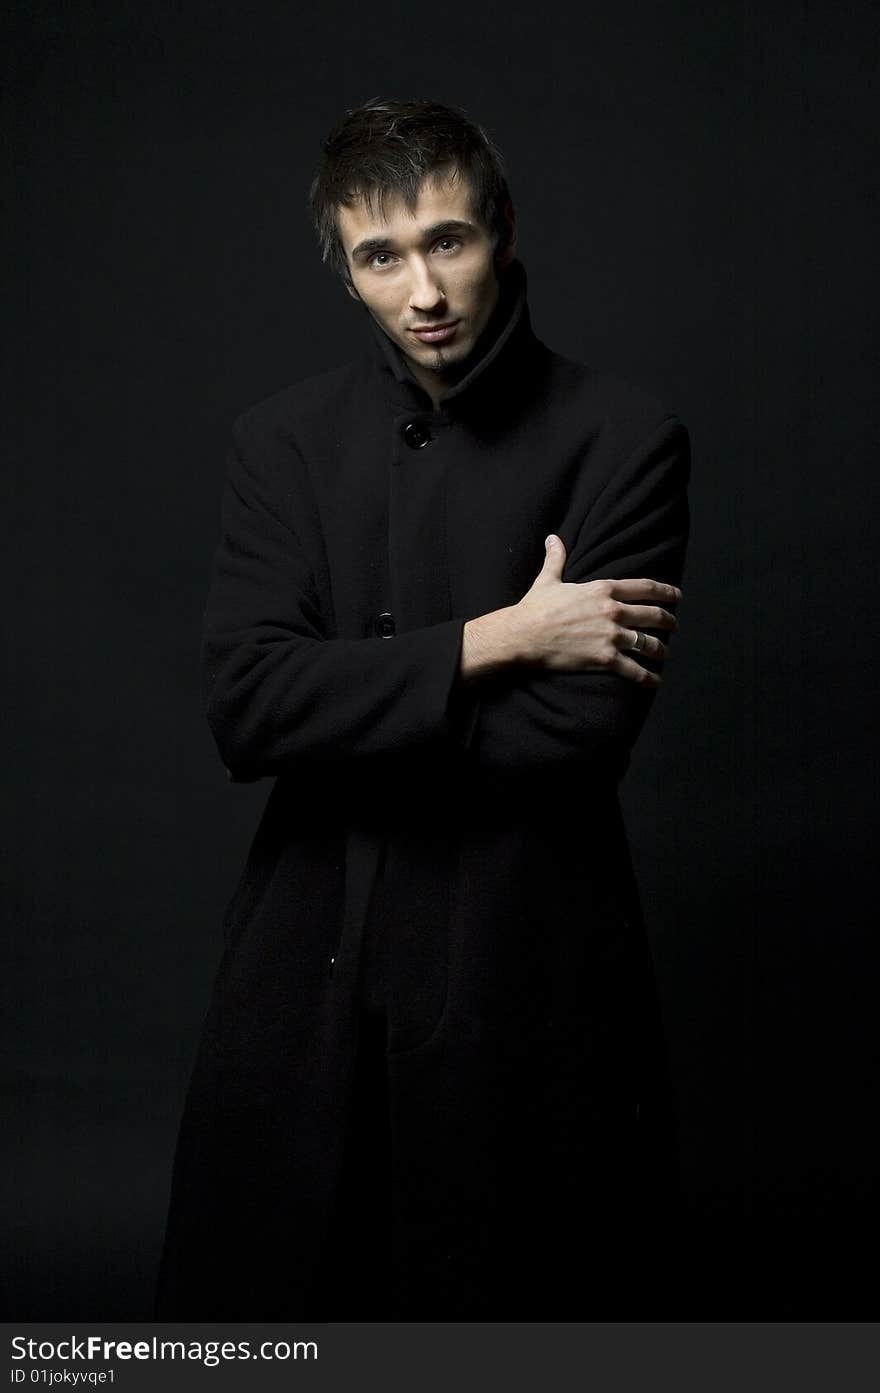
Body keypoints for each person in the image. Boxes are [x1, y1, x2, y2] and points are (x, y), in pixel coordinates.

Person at [154, 96, 690, 1321]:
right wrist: (504, 638)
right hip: (308, 953)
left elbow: (577, 736)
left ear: (501, 230)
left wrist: (340, 710)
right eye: (380, 256)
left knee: (509, 1305)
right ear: (346, 274)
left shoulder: (625, 436)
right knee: (288, 1296)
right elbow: (244, 708)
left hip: (526, 952)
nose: (423, 290)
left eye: (447, 241)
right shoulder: (279, 441)